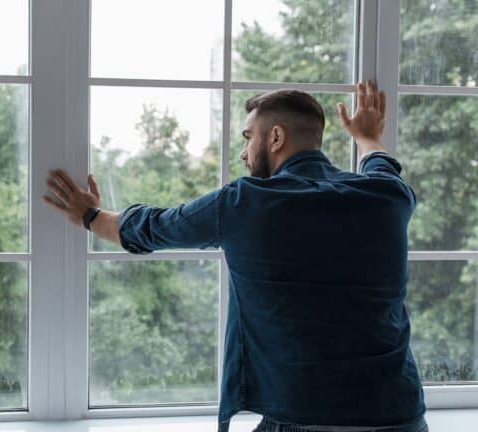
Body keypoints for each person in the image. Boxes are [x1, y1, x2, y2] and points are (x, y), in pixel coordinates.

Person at [42, 81, 428, 432]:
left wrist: (90, 216)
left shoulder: (246, 203)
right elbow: (382, 167)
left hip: (305, 417)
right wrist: (366, 137)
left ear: (275, 137)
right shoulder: (386, 198)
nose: (244, 153)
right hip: (400, 417)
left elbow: (154, 227)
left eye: (248, 138)